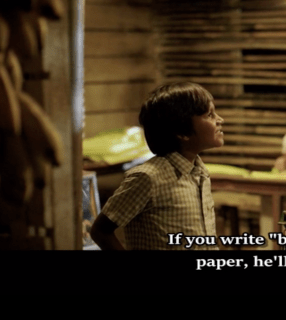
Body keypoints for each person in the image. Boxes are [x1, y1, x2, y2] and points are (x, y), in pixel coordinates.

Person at [90, 82, 223, 250]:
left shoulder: (200, 172)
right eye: (209, 115)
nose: (220, 120)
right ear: (182, 131)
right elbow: (100, 231)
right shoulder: (148, 177)